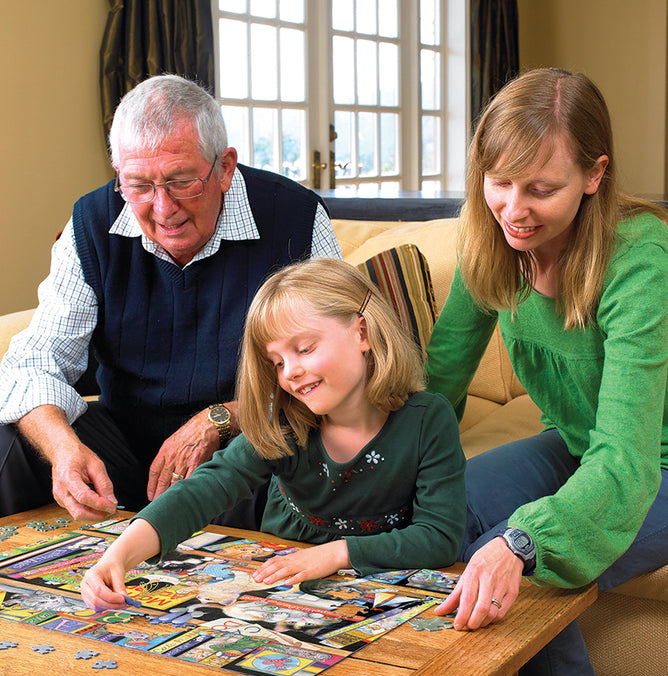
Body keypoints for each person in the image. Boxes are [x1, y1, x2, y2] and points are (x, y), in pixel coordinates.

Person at [0, 74, 341, 527]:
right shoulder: (91, 222)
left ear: (224, 168)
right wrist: (64, 450)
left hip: (245, 438)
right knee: (1, 446)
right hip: (128, 447)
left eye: (182, 181)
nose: (162, 209)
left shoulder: (295, 218)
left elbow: (336, 368)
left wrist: (221, 419)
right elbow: (35, 361)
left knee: (267, 458)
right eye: (139, 185)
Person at [426, 67, 668, 676]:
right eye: (499, 183)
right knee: (438, 521)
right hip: (578, 447)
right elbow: (441, 378)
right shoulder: (491, 241)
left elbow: (625, 455)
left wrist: (524, 540)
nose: (513, 209)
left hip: (650, 466)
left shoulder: (639, 262)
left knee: (524, 574)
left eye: (540, 188)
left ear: (594, 176)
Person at [80, 258, 467, 610]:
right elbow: (205, 488)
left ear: (361, 333)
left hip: (383, 586)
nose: (290, 373)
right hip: (281, 584)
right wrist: (117, 556)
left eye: (305, 348)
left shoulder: (429, 419)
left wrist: (335, 554)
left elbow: (439, 537)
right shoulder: (285, 420)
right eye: (278, 362)